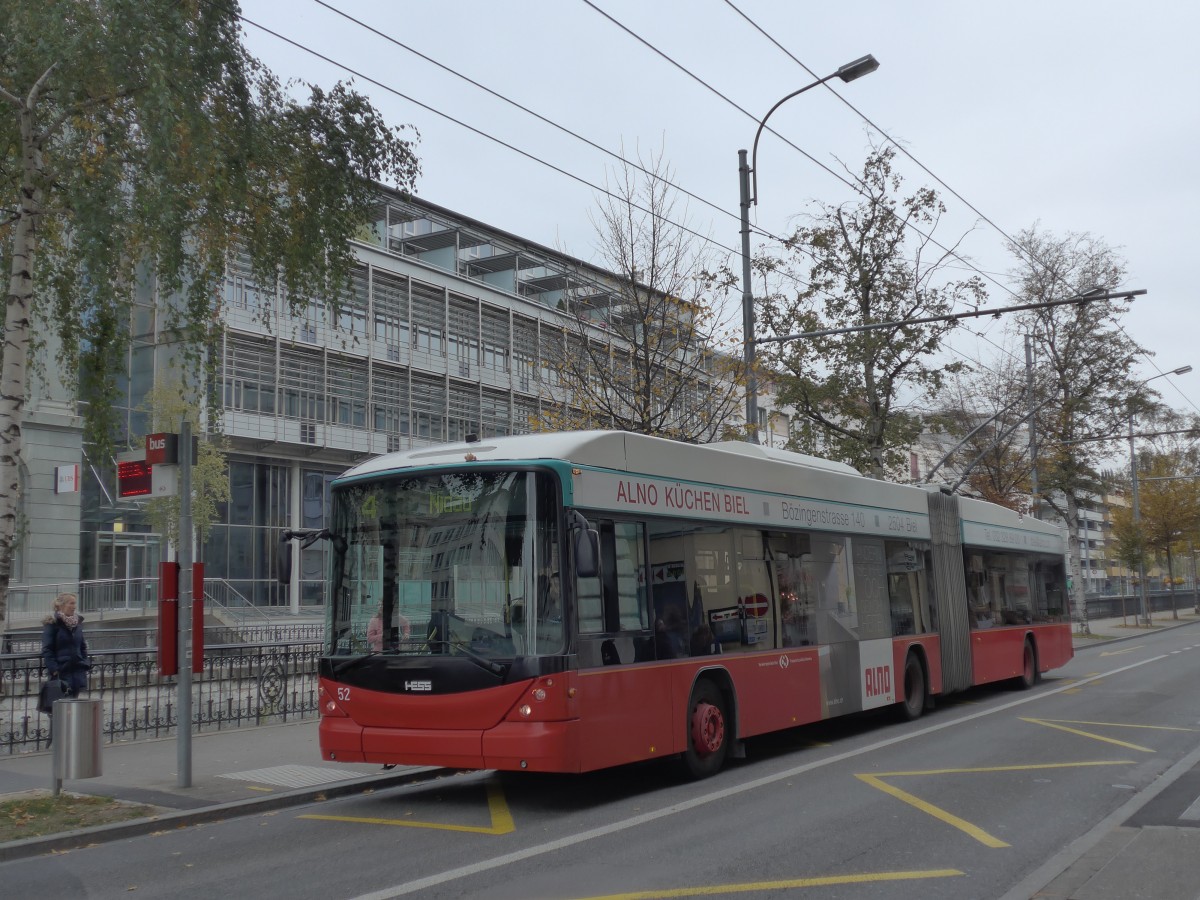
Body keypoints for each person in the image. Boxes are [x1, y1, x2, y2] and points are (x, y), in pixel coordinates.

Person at [41, 592, 90, 746]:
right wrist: (55, 669)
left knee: (73, 707)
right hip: (61, 673)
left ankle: (70, 741)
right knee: (59, 709)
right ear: (61, 605)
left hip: (77, 672)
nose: (74, 606)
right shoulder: (53, 623)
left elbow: (82, 646)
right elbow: (47, 649)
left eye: (75, 603)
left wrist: (85, 662)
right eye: (71, 603)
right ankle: (58, 741)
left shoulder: (77, 623)